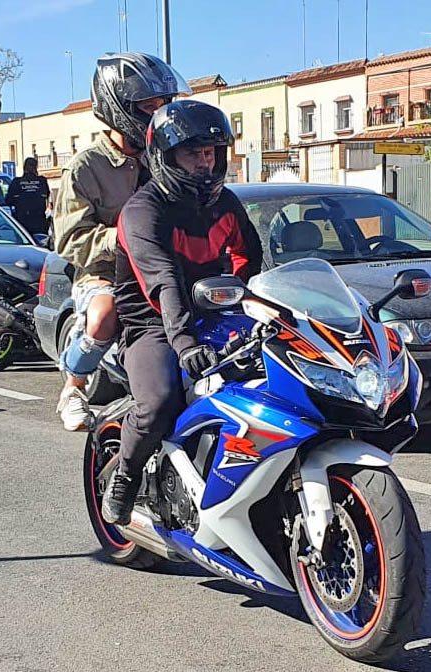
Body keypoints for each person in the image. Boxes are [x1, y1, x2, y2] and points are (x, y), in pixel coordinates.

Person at [99, 99, 263, 525]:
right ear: (165, 156)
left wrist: (251, 304)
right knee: (159, 401)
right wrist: (185, 341)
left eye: (211, 153)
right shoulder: (142, 211)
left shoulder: (225, 203)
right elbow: (162, 282)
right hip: (151, 324)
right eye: (193, 153)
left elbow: (250, 257)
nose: (205, 164)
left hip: (214, 314)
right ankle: (126, 473)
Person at [53, 52, 189, 431]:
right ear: (120, 106)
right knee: (104, 314)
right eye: (149, 105)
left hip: (166, 268)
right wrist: (130, 239)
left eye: (164, 104)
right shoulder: (85, 167)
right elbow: (70, 240)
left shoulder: (167, 157)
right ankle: (74, 386)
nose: (159, 113)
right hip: (105, 275)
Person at [5, 157, 51, 236]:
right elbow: (47, 195)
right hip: (39, 221)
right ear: (36, 167)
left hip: (22, 221)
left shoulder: (16, 182)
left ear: (24, 167)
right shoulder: (42, 181)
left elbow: (8, 200)